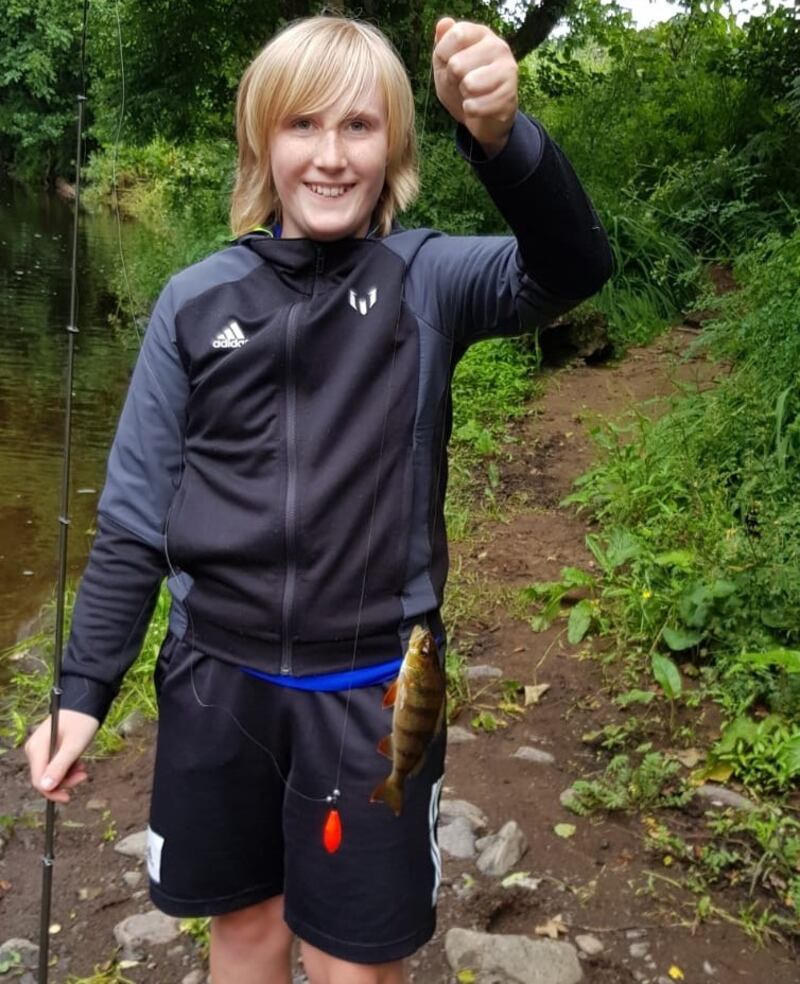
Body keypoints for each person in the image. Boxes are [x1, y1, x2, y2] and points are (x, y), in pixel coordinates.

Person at [25, 13, 612, 984]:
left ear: (395, 149)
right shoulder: (194, 301)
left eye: (358, 126)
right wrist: (82, 693)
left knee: (355, 964)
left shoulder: (429, 280)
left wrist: (502, 138)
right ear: (262, 142)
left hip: (375, 691)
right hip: (216, 685)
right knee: (246, 931)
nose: (331, 156)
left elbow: (574, 266)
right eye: (302, 125)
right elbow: (133, 516)